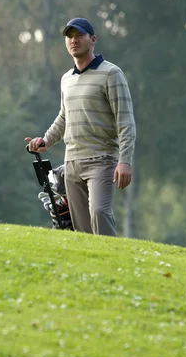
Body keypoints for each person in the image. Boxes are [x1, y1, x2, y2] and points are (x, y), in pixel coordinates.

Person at [26, 17, 136, 236]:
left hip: (102, 160)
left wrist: (125, 161)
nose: (73, 41)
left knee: (99, 212)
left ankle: (115, 263)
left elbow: (125, 121)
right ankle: (93, 267)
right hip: (72, 163)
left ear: (92, 39)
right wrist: (46, 140)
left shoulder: (111, 74)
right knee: (81, 227)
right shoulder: (66, 79)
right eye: (69, 37)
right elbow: (64, 117)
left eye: (79, 36)